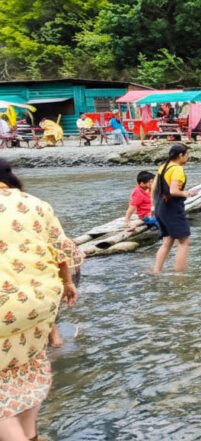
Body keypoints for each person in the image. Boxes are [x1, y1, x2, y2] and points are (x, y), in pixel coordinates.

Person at [0, 158, 80, 441]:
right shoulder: (35, 204)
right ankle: (32, 435)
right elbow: (63, 251)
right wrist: (69, 284)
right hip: (41, 303)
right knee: (28, 368)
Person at [152, 144, 199, 274]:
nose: (188, 157)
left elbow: (155, 189)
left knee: (167, 242)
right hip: (172, 208)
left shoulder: (163, 167)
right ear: (180, 155)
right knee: (184, 242)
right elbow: (173, 191)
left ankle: (156, 271)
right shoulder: (177, 169)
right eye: (187, 154)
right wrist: (187, 193)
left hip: (160, 207)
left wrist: (153, 206)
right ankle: (180, 276)